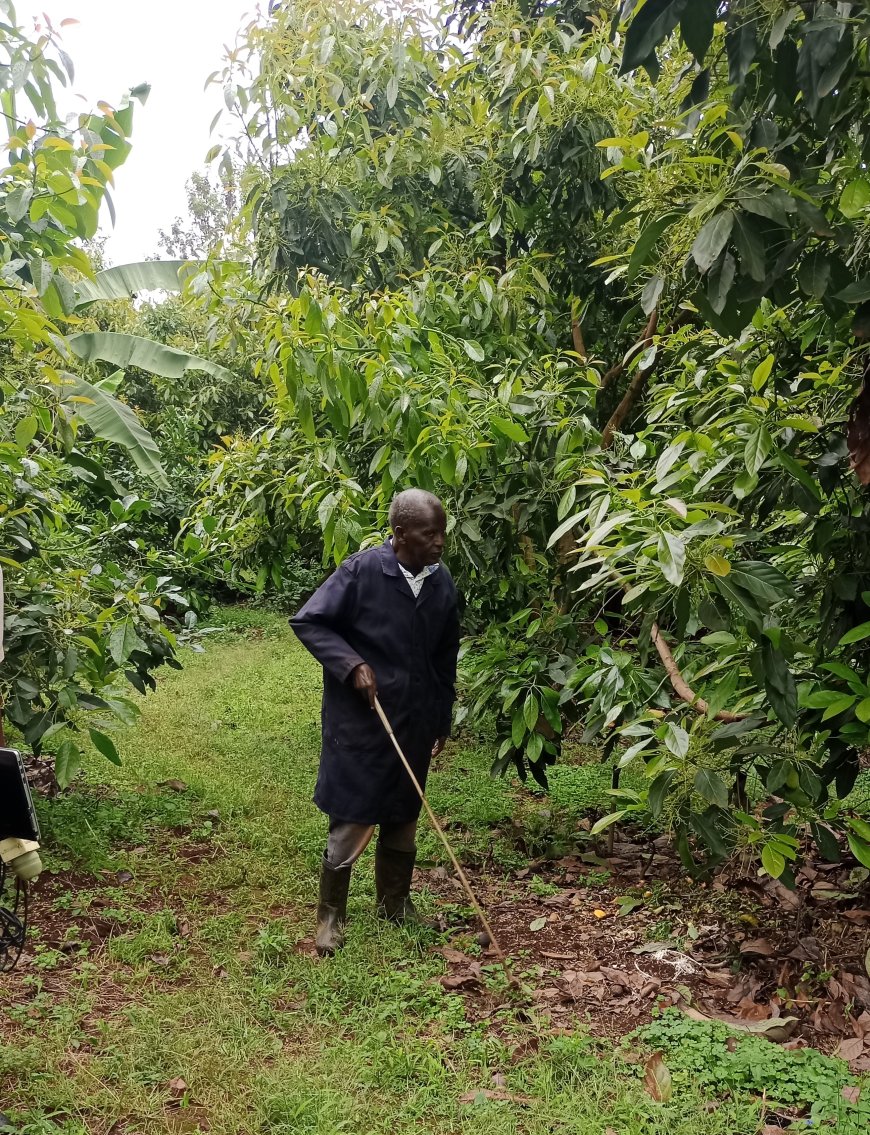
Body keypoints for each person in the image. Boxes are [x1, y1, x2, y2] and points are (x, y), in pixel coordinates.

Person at [290, 489, 460, 956]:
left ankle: (394, 903)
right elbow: (310, 622)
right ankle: (330, 919)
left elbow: (446, 659)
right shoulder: (362, 572)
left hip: (414, 719)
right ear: (401, 534)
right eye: (430, 533)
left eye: (442, 532)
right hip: (362, 723)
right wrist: (351, 664)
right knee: (353, 817)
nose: (440, 542)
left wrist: (440, 719)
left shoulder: (441, 583)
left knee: (404, 816)